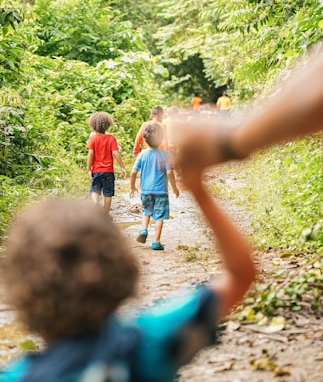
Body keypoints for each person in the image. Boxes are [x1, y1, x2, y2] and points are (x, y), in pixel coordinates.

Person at [0, 145, 255, 381]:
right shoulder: (147, 342)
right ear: (122, 270)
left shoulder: (17, 377)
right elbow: (240, 274)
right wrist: (198, 188)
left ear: (18, 292)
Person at [175, 49, 323, 171]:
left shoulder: (210, 100)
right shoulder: (215, 100)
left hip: (224, 117)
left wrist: (227, 140)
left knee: (223, 121)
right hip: (227, 116)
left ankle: (222, 132)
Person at [130, 123, 179, 251]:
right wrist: (174, 188)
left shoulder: (142, 155)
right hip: (161, 191)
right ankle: (156, 242)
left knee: (147, 212)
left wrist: (132, 187)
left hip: (146, 191)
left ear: (144, 140)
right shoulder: (166, 155)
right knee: (159, 216)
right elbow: (169, 172)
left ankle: (144, 229)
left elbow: (133, 172)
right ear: (161, 138)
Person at [87, 111, 127, 213]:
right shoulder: (111, 138)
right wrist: (122, 167)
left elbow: (90, 154)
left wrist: (88, 169)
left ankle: (95, 203)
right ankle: (105, 214)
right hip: (108, 171)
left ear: (93, 125)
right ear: (107, 125)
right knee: (108, 193)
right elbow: (116, 153)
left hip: (96, 170)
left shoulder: (92, 138)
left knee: (94, 190)